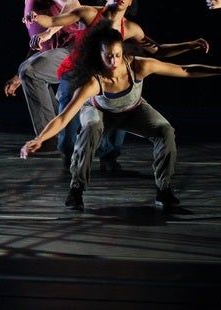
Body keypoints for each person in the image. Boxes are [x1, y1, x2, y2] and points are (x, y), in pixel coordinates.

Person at [21, 24, 221, 210]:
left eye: (117, 55)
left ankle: (164, 189)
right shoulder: (94, 81)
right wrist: (39, 139)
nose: (114, 62)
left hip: (132, 110)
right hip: (100, 111)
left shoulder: (139, 66)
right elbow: (63, 118)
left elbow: (185, 71)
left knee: (165, 130)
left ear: (123, 52)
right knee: (91, 128)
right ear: (99, 55)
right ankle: (76, 188)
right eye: (108, 56)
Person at [28, 0, 210, 172]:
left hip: (105, 77)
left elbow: (158, 50)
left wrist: (189, 45)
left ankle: (109, 158)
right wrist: (38, 18)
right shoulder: (89, 13)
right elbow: (54, 21)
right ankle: (70, 158)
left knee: (120, 108)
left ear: (130, 1)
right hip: (78, 73)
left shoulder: (130, 28)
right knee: (69, 125)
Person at [2, 0, 83, 162]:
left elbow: (74, 5)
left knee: (29, 71)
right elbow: (39, 47)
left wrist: (48, 32)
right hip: (60, 54)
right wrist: (18, 77)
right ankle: (57, 136)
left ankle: (49, 140)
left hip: (74, 50)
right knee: (27, 71)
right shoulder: (28, 6)